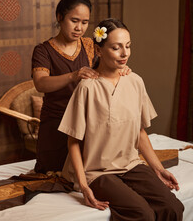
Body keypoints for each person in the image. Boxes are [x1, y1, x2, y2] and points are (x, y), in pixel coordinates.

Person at [58, 18, 184, 220]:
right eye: (116, 48)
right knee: (143, 214)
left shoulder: (135, 81)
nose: (125, 53)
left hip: (131, 165)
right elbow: (73, 141)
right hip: (98, 172)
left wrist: (158, 169)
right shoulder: (87, 88)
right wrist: (83, 185)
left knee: (173, 207)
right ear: (98, 51)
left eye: (128, 46)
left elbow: (139, 132)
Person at [32, 0, 130, 173]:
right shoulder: (43, 50)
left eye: (85, 22)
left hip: (86, 126)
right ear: (60, 17)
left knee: (86, 176)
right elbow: (41, 83)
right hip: (56, 126)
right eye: (74, 21)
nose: (79, 28)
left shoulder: (89, 45)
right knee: (55, 178)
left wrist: (120, 67)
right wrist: (73, 75)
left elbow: (106, 71)